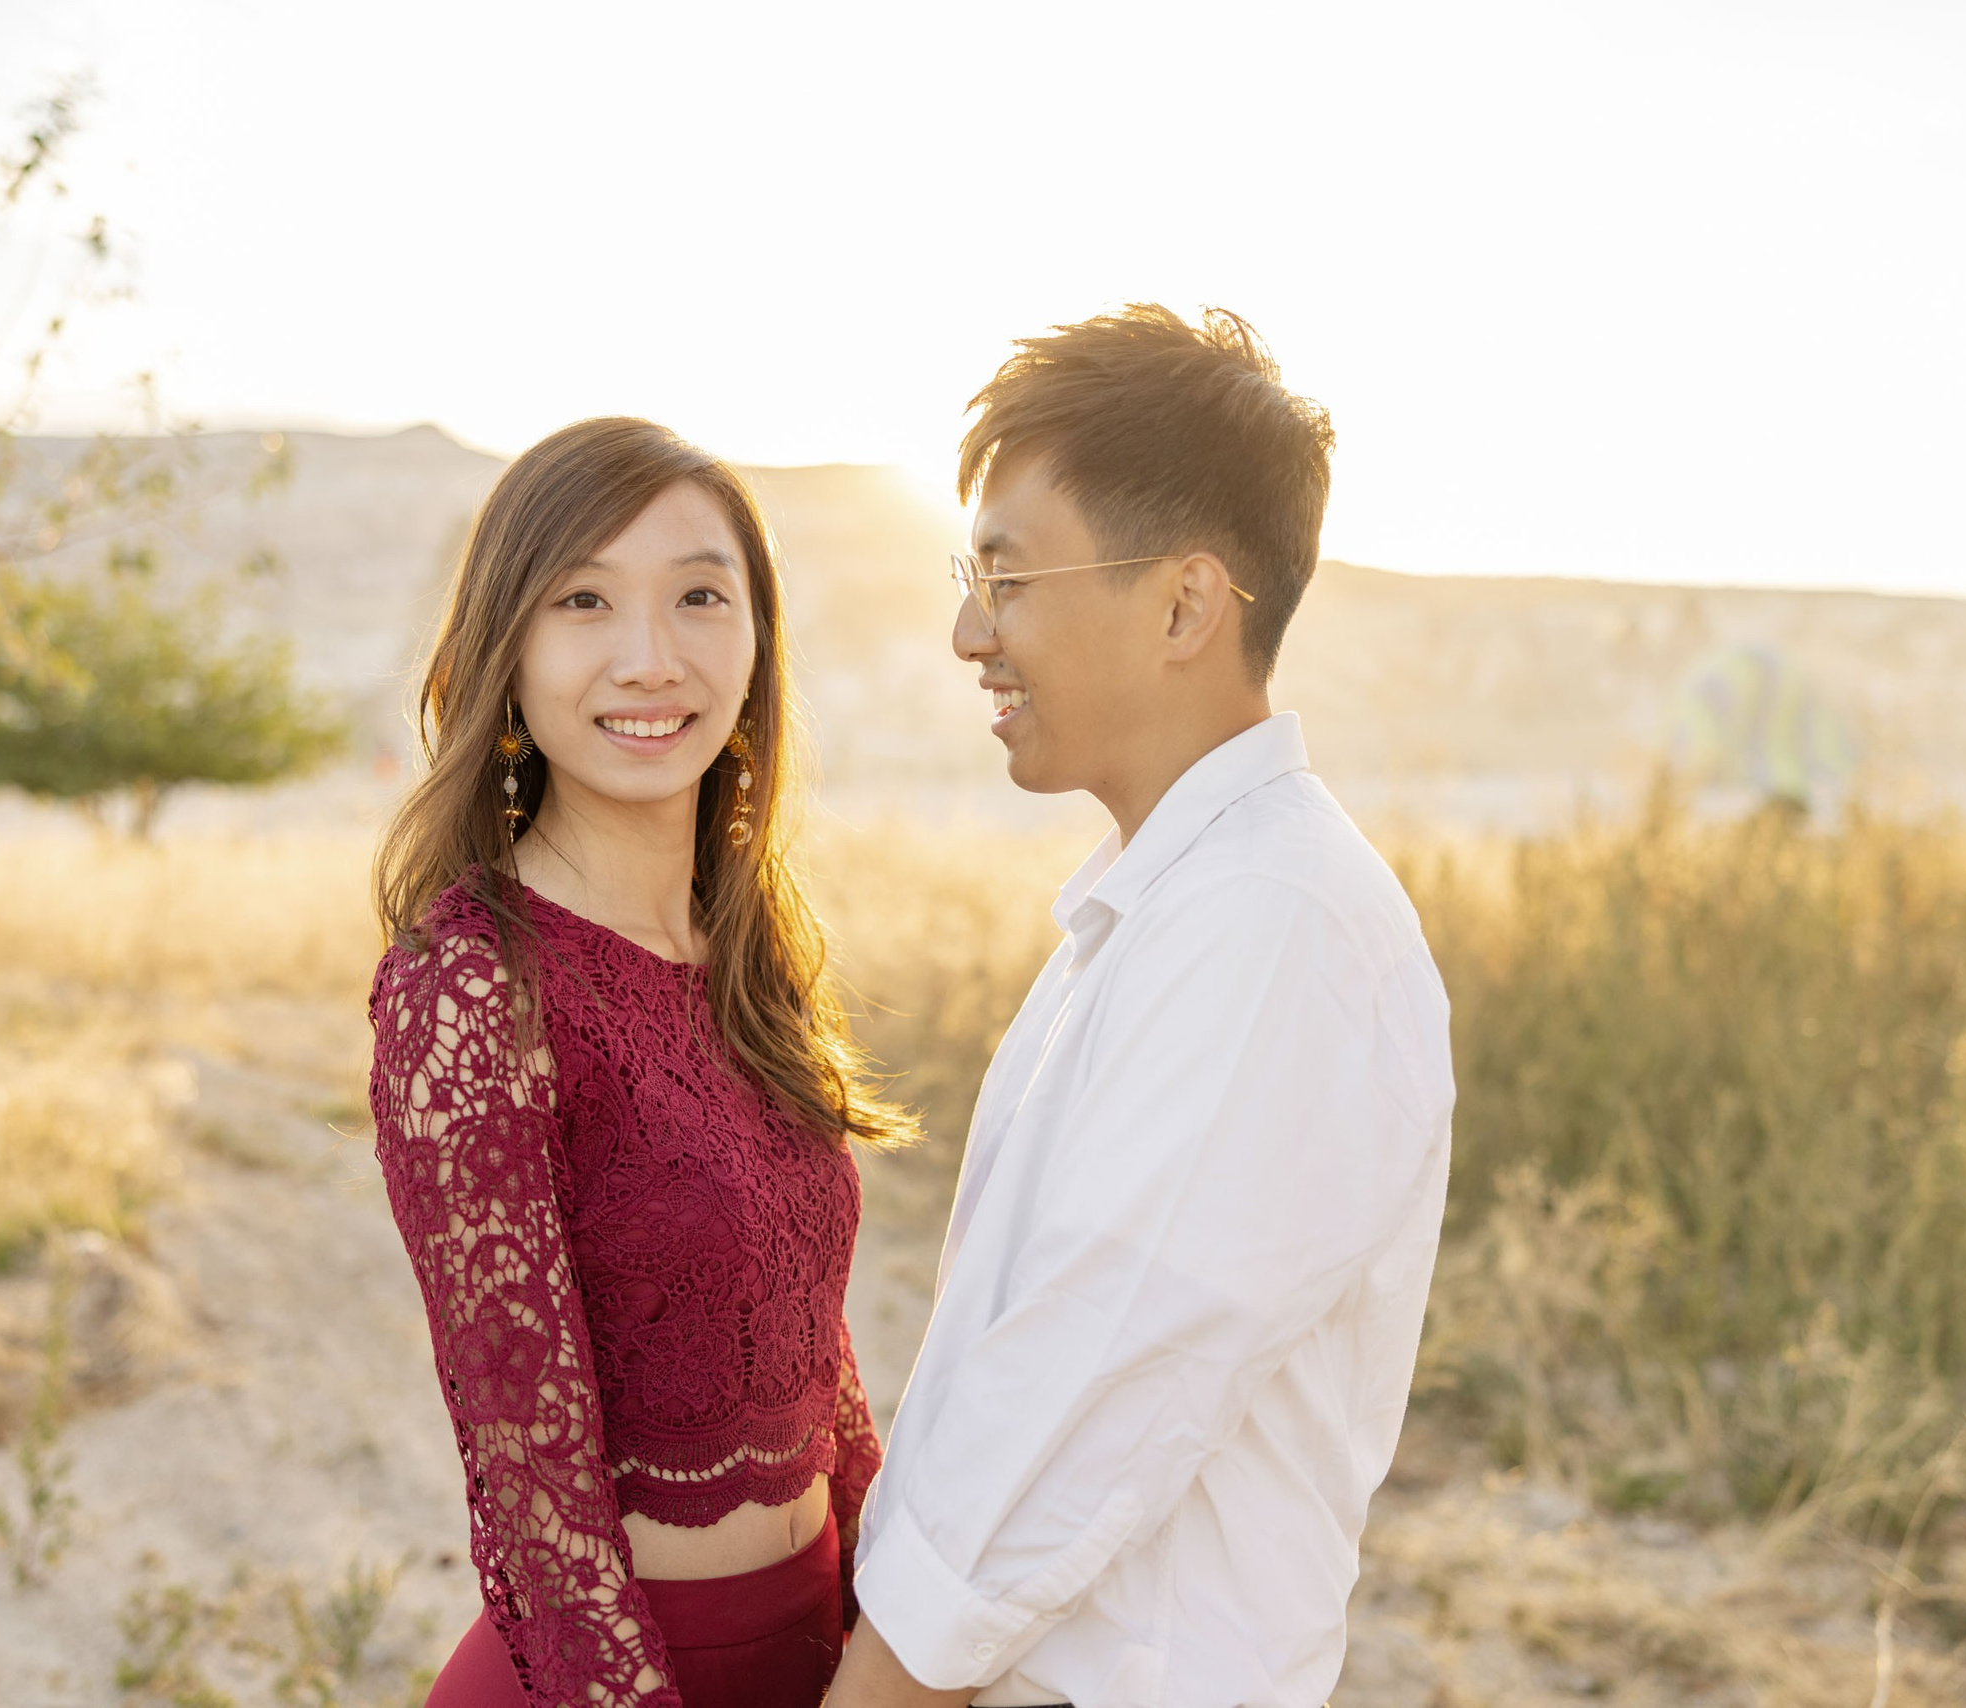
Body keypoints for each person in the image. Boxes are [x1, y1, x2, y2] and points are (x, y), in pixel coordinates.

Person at [826, 307, 1458, 1708]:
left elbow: (1085, 1391)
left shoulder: (1271, 926)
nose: (966, 633)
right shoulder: (1166, 904)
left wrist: (874, 1692)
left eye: (1011, 578)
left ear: (1184, 605)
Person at [367, 418, 916, 1708]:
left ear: (757, 639)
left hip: (822, 1656)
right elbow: (530, 1485)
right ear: (505, 649)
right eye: (584, 601)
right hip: (614, 1678)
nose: (649, 658)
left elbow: (810, 1346)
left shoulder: (745, 944)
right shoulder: (472, 988)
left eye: (699, 597)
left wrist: (889, 1622)